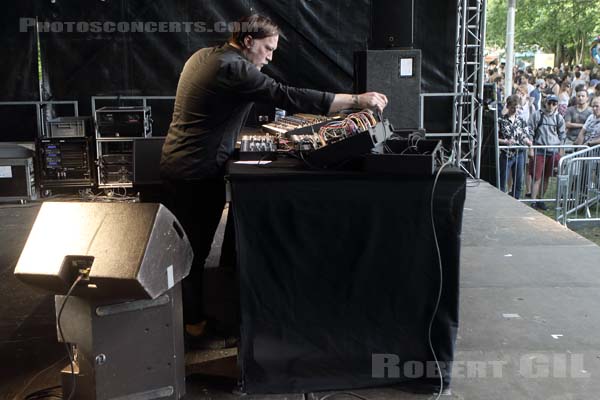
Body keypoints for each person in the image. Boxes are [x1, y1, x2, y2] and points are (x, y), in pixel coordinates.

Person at [160, 14, 388, 348]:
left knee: (188, 250)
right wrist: (355, 101)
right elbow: (285, 95)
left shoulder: (205, 56)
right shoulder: (232, 69)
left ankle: (196, 317)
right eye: (267, 49)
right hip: (194, 172)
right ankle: (192, 329)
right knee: (192, 253)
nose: (270, 57)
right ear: (248, 42)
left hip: (183, 165)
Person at [529, 95, 566, 210]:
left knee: (546, 177)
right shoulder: (537, 115)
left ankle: (541, 199)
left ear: (557, 105)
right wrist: (531, 149)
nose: (551, 106)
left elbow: (562, 136)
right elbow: (530, 131)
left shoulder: (559, 118)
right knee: (537, 177)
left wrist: (560, 153)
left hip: (553, 151)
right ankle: (533, 200)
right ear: (545, 103)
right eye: (549, 103)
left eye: (554, 104)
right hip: (539, 150)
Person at [498, 95, 532, 199]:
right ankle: (501, 199)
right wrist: (505, 141)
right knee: (502, 180)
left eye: (517, 107)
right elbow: (494, 138)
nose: (515, 110)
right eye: (513, 107)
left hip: (519, 154)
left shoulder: (521, 121)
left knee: (518, 181)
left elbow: (525, 135)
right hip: (506, 154)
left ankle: (516, 199)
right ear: (508, 106)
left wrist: (528, 142)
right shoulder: (500, 120)